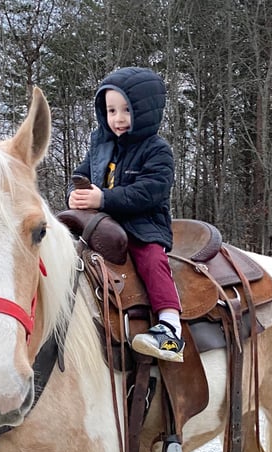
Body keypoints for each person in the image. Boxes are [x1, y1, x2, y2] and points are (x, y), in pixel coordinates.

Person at [67, 66, 184, 362]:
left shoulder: (157, 150)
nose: (117, 118)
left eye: (126, 110)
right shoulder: (100, 146)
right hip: (100, 226)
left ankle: (170, 328)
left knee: (151, 259)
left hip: (143, 225)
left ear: (145, 111)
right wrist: (76, 194)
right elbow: (82, 173)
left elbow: (150, 191)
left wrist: (103, 198)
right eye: (111, 110)